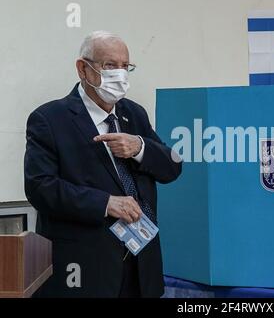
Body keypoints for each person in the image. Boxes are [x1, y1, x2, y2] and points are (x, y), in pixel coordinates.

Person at [24, 31, 182, 298]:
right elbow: (41, 188)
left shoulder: (133, 113)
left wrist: (140, 148)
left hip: (141, 268)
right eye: (110, 65)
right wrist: (106, 202)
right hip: (85, 271)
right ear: (82, 69)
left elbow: (173, 166)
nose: (119, 74)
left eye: (125, 66)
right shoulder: (49, 119)